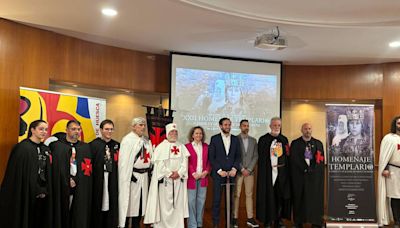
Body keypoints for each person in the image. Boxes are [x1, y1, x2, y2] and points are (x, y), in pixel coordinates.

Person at [0, 120, 52, 228]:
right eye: (41, 129)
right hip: (25, 192)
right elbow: (15, 175)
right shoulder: (22, 148)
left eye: (46, 129)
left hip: (42, 192)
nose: (44, 132)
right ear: (32, 130)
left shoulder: (45, 149)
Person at [144, 123, 190, 227]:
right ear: (167, 134)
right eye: (172, 132)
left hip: (178, 181)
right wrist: (169, 174)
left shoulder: (181, 146)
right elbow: (159, 164)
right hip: (165, 181)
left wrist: (178, 173)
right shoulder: (161, 147)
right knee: (164, 205)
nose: (174, 134)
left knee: (177, 205)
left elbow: (185, 162)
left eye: (175, 132)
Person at [50, 120, 92, 228]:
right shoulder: (57, 146)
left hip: (80, 186)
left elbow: (88, 168)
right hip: (62, 185)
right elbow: (56, 168)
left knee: (78, 213)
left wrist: (77, 179)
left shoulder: (85, 147)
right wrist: (67, 179)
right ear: (66, 130)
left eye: (78, 129)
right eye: (73, 129)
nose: (77, 132)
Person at [118, 117, 153, 228]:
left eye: (144, 125)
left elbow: (150, 157)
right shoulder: (127, 140)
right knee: (130, 204)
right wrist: (128, 176)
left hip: (144, 177)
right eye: (140, 125)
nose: (143, 127)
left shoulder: (146, 140)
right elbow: (124, 162)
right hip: (133, 177)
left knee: (141, 204)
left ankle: (136, 225)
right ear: (133, 127)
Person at [256, 117, 290, 228]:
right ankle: (267, 220)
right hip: (267, 175)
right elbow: (261, 158)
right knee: (267, 197)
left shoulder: (284, 140)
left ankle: (278, 220)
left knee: (279, 197)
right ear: (270, 126)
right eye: (274, 125)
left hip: (281, 174)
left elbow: (287, 156)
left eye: (278, 125)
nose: (276, 127)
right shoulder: (263, 139)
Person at [290, 123, 325, 228]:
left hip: (314, 178)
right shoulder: (295, 143)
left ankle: (316, 222)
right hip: (299, 177)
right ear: (301, 130)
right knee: (299, 199)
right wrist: (305, 169)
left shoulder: (318, 143)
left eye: (309, 128)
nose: (307, 131)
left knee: (315, 200)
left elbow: (321, 160)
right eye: (305, 129)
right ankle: (298, 222)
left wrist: (312, 170)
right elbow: (294, 159)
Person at [208, 117, 241, 228]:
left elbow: (238, 156)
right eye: (225, 125)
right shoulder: (214, 139)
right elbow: (211, 157)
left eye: (229, 124)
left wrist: (234, 169)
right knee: (217, 199)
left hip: (231, 174)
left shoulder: (236, 139)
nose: (228, 127)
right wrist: (219, 170)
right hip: (219, 174)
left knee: (230, 200)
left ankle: (230, 222)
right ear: (221, 126)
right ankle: (216, 223)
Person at [90, 119, 120, 228]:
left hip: (112, 179)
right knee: (99, 203)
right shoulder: (93, 145)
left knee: (111, 203)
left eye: (111, 129)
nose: (109, 131)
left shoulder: (117, 145)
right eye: (107, 129)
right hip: (99, 180)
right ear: (101, 130)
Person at [232, 119, 259, 228]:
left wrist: (249, 169)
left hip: (250, 172)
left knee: (249, 195)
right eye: (244, 125)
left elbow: (255, 156)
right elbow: (234, 156)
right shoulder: (234, 139)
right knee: (236, 195)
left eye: (247, 126)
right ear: (240, 127)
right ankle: (234, 218)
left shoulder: (253, 140)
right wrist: (242, 168)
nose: (246, 127)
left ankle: (250, 218)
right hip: (238, 171)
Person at [186, 126, 211, 228]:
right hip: (192, 179)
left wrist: (206, 171)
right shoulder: (187, 147)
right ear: (192, 135)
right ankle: (192, 224)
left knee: (201, 201)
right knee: (191, 201)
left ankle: (199, 223)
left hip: (203, 178)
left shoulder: (206, 146)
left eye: (200, 133)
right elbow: (187, 162)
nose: (198, 135)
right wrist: (193, 173)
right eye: (196, 133)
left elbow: (210, 161)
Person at [378, 116, 400, 227]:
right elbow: (384, 156)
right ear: (395, 125)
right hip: (394, 171)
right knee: (395, 196)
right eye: (399, 123)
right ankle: (397, 221)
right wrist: (385, 168)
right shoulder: (389, 138)